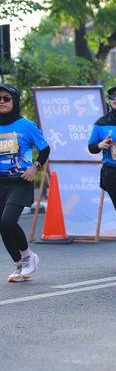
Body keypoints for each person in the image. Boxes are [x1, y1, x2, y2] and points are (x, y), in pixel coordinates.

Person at [0, 83, 50, 283]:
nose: (2, 102)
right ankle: (19, 265)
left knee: (8, 221)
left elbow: (45, 149)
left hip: (20, 182)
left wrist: (35, 167)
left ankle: (29, 257)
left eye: (6, 98)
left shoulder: (26, 125)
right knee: (2, 226)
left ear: (14, 100)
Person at [88, 85, 116, 267]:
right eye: (112, 96)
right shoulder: (101, 123)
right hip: (111, 172)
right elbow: (91, 146)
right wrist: (100, 145)